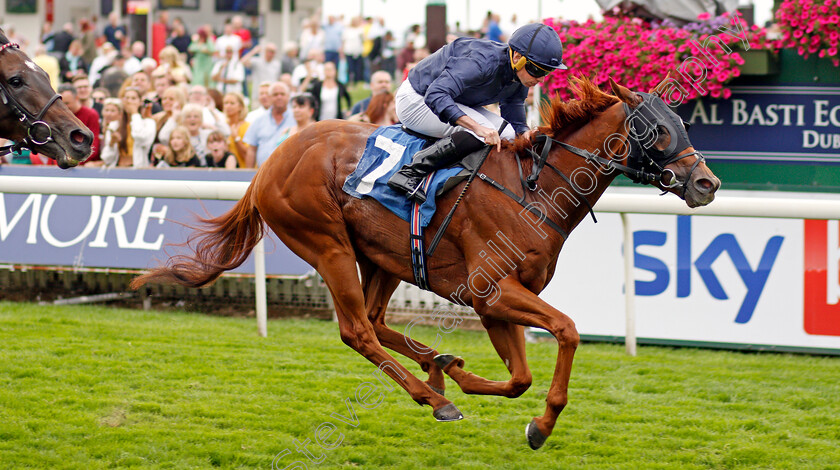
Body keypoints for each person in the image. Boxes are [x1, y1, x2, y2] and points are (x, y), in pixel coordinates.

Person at [387, 22, 567, 203]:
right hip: (416, 99)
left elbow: (514, 114)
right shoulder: (482, 62)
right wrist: (477, 127)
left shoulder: (518, 74)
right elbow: (436, 94)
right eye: (537, 69)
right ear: (517, 57)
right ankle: (409, 172)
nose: (541, 79)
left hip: (450, 98)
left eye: (547, 71)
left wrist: (525, 133)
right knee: (484, 132)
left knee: (509, 134)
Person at [243, 81, 294, 168]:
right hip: (263, 174)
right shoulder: (259, 120)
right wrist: (249, 173)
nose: (279, 97)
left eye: (282, 94)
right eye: (275, 94)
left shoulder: (297, 119)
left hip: (290, 174)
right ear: (269, 98)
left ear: (288, 97)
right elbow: (251, 150)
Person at [58, 83, 101, 164]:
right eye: (61, 104)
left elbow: (94, 145)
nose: (64, 107)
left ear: (77, 98)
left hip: (85, 164)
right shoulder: (59, 116)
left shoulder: (91, 114)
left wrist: (76, 162)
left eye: (67, 103)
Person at [99, 98, 131, 168]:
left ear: (120, 114)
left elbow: (107, 158)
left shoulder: (120, 128)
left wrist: (112, 143)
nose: (109, 114)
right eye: (106, 110)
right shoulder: (106, 128)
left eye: (113, 111)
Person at [223, 92, 250, 167]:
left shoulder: (247, 126)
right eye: (226, 103)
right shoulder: (222, 125)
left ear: (240, 107)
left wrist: (236, 138)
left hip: (242, 171)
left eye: (232, 103)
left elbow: (247, 155)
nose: (228, 106)